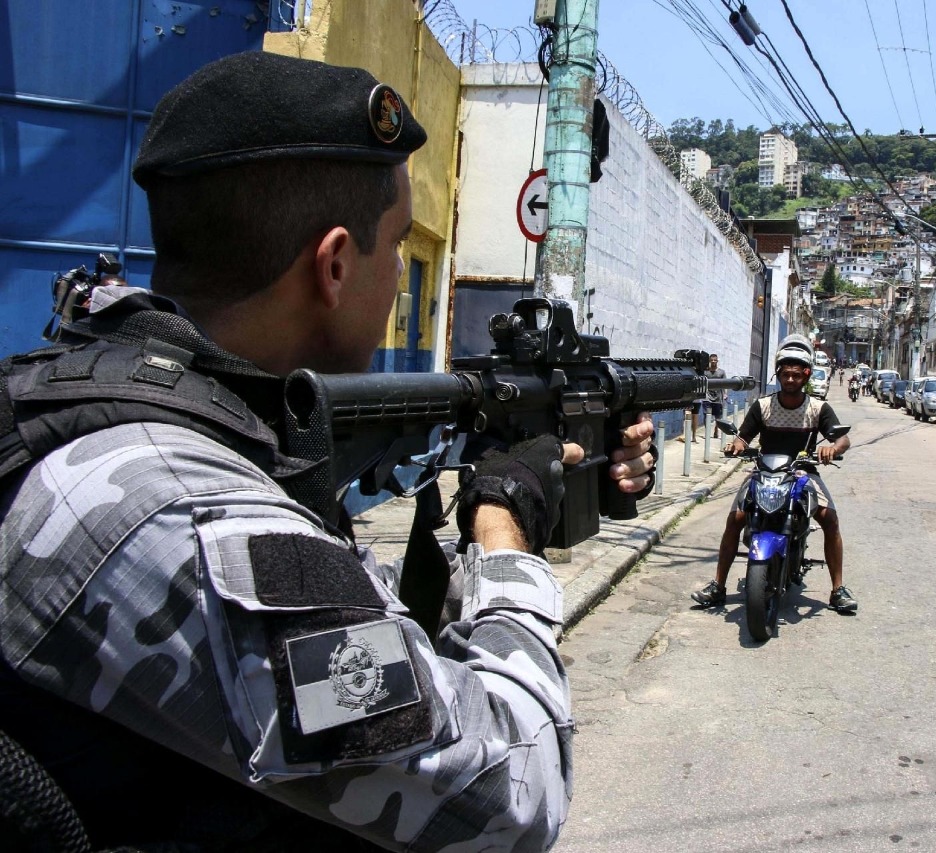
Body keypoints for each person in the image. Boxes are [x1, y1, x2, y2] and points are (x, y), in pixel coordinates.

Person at [0, 52, 656, 851]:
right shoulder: (193, 518)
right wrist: (503, 534)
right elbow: (513, 798)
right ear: (337, 264)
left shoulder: (105, 385)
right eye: (394, 252)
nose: (396, 288)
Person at [690, 335, 858, 614]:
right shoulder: (763, 406)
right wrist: (736, 445)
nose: (790, 380)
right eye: (785, 374)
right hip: (765, 472)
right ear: (778, 374)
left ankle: (837, 588)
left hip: (803, 473)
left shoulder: (818, 408)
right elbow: (744, 437)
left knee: (830, 520)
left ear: (806, 376)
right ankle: (718, 586)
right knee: (735, 520)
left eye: (796, 374)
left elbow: (843, 439)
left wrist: (832, 447)